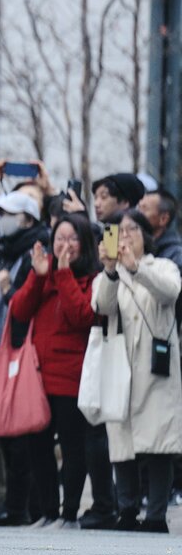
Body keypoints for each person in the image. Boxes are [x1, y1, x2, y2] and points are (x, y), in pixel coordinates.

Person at [8, 213, 105, 527]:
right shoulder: (43, 274)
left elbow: (82, 315)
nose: (65, 245)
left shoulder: (94, 278)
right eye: (59, 239)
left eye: (72, 239)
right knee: (38, 446)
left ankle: (69, 513)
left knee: (73, 447)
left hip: (73, 376)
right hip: (39, 374)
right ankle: (49, 512)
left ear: (84, 243)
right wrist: (37, 277)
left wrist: (63, 274)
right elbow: (19, 311)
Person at [91, 210, 182, 532]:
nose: (125, 236)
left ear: (146, 235)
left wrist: (135, 268)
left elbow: (169, 292)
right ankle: (127, 509)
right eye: (118, 231)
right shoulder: (108, 274)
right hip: (121, 367)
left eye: (132, 230)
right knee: (122, 439)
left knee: (159, 442)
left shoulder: (162, 266)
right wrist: (112, 269)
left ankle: (156, 515)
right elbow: (101, 306)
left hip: (155, 369)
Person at [138, 189, 182, 273]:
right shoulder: (136, 247)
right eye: (138, 207)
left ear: (163, 219)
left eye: (144, 209)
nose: (136, 214)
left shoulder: (175, 255)